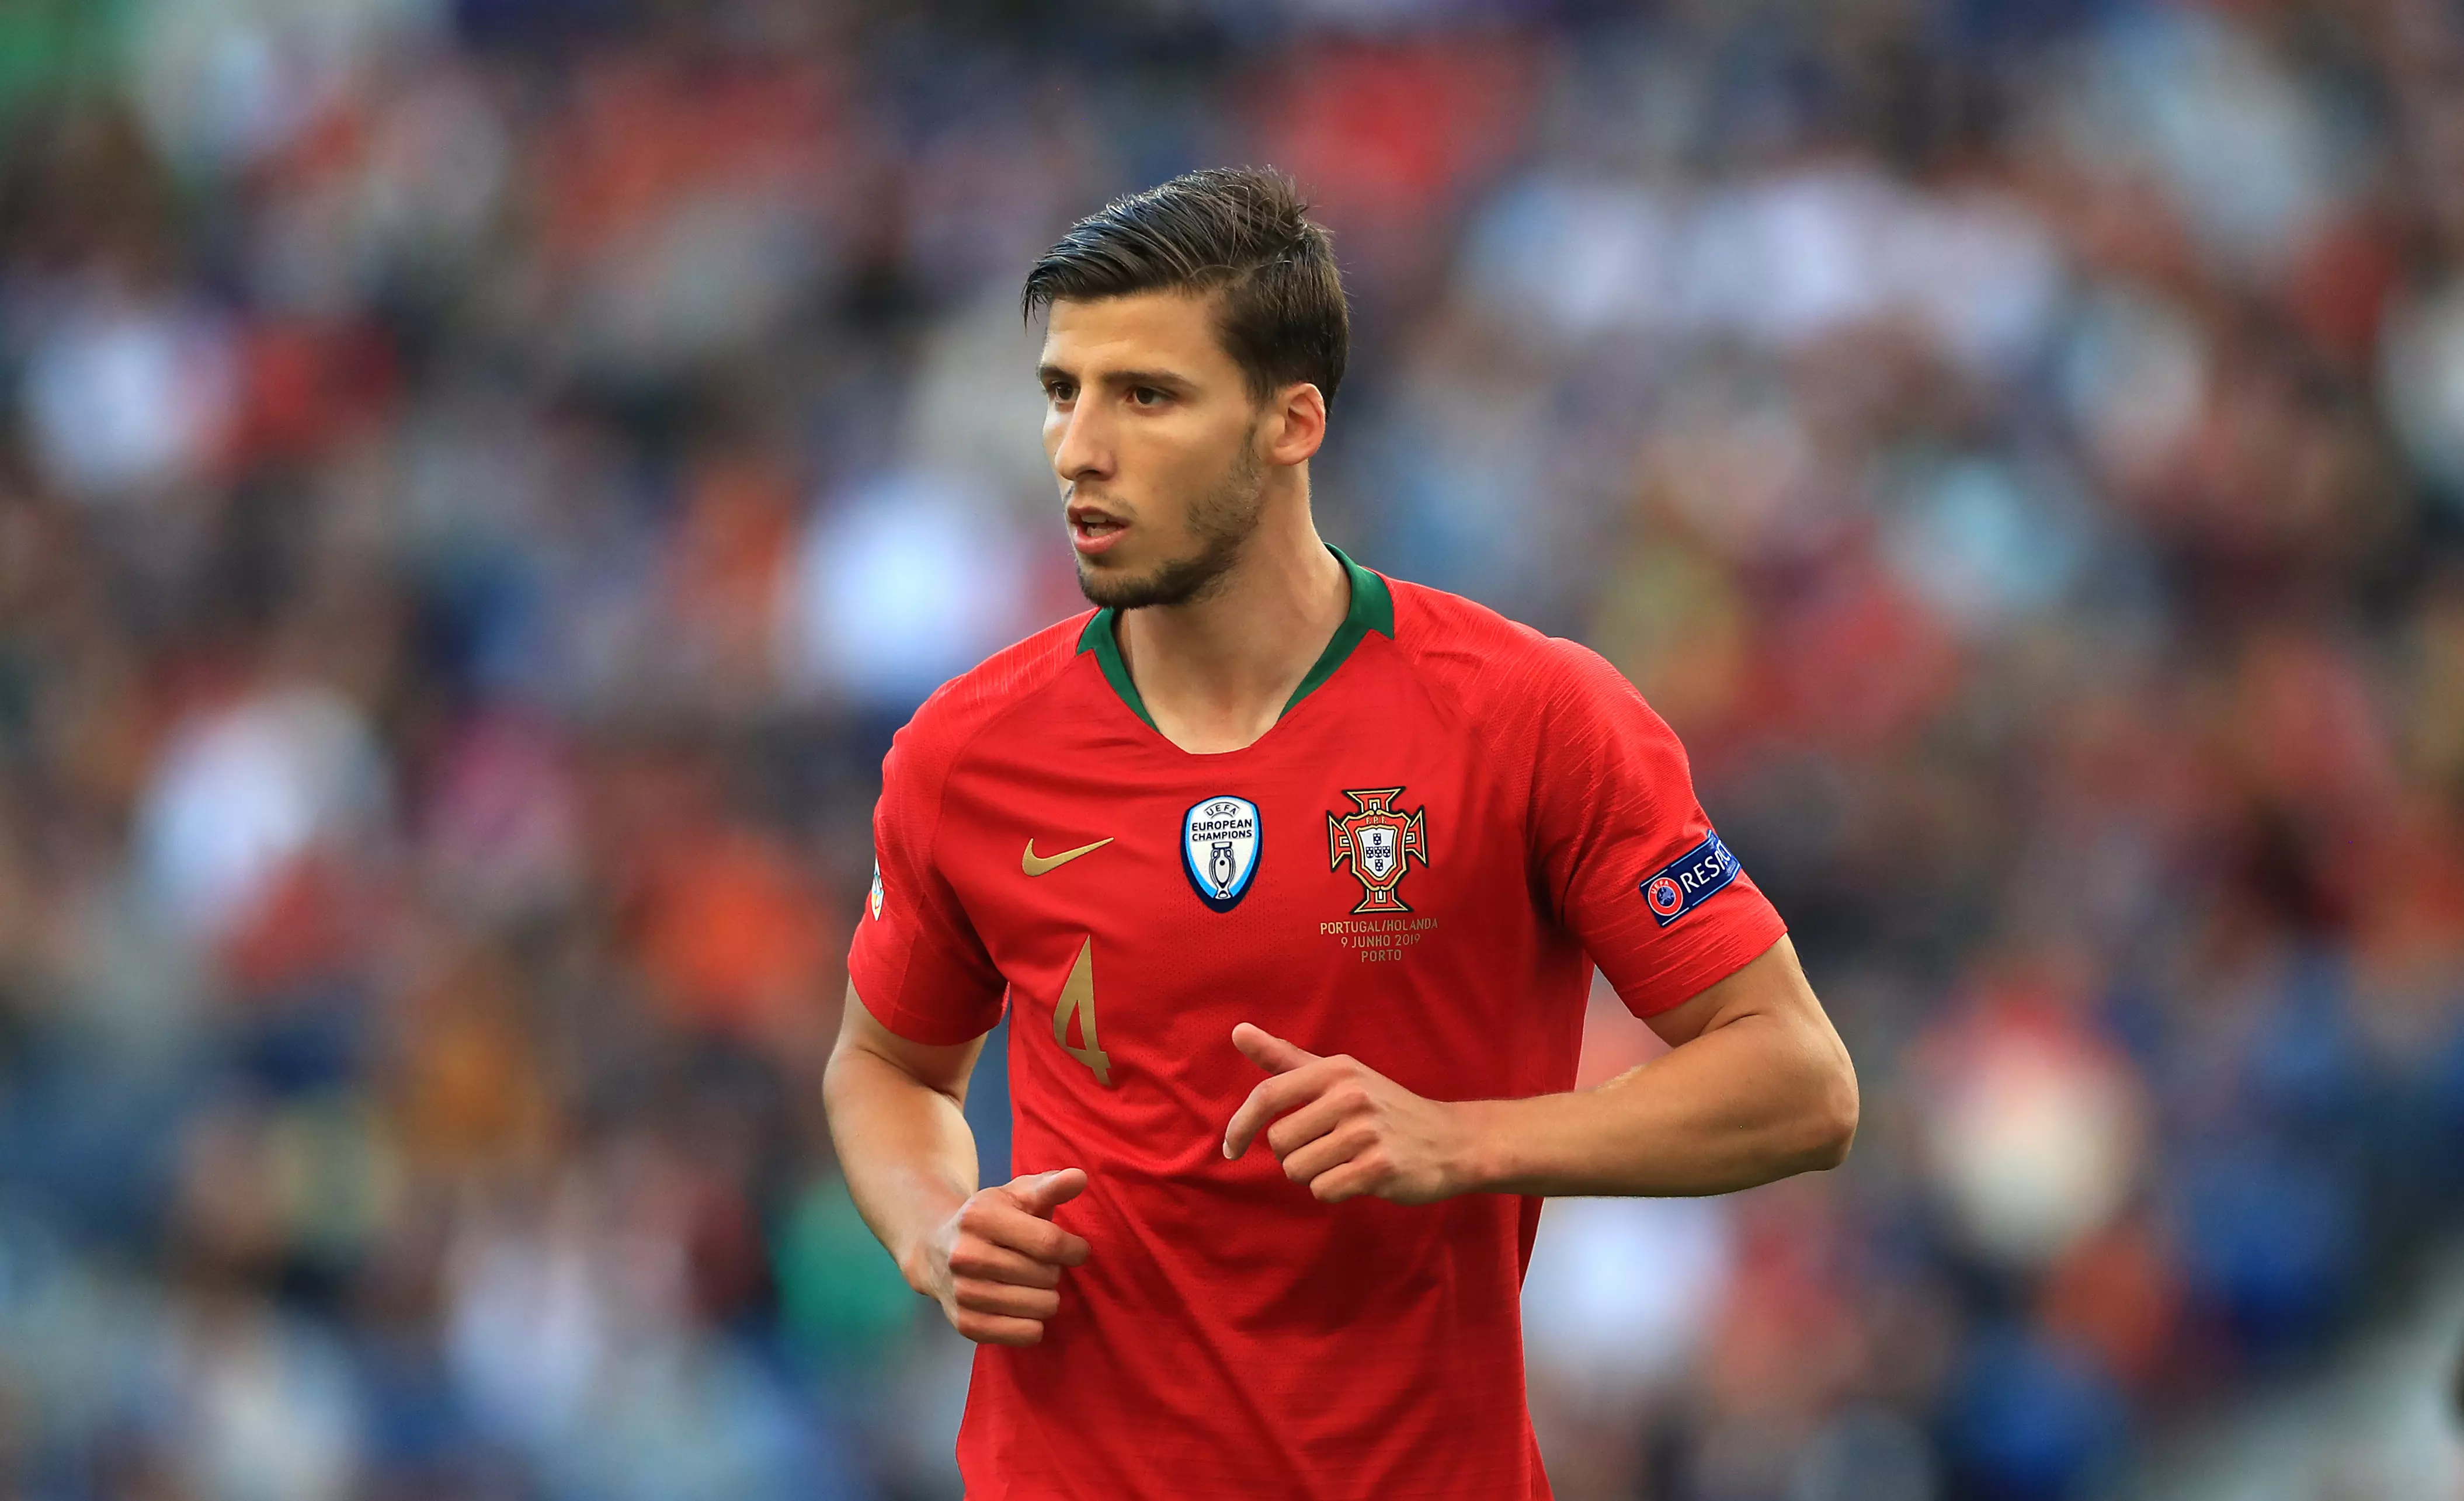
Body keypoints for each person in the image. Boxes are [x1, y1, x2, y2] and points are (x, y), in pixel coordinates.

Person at [822, 166, 1859, 1500]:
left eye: (1147, 396)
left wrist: (1467, 1140)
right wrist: (934, 1225)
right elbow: (886, 1066)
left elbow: (1800, 1083)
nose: (1078, 448)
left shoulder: (1529, 716)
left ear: (1291, 421)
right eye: (1063, 391)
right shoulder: (966, 752)